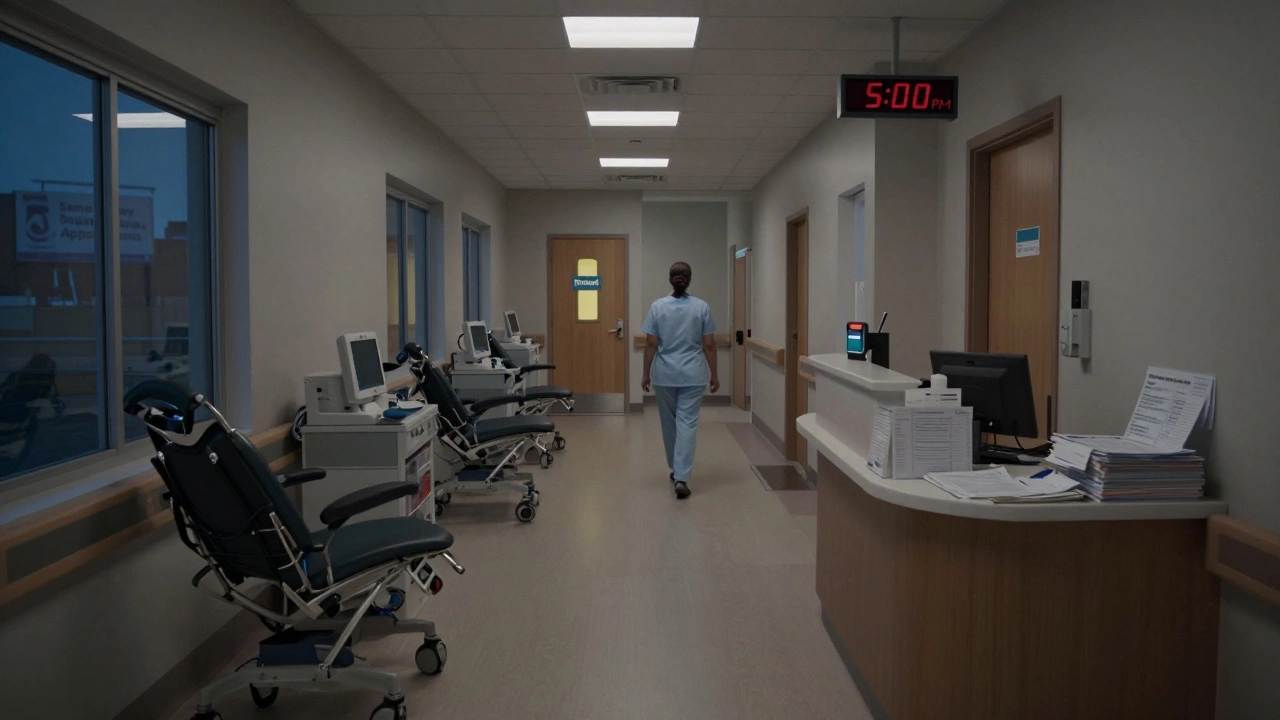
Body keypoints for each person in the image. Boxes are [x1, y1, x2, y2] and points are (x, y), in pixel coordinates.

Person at [641, 261, 719, 499]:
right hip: (693, 375)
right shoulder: (701, 307)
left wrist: (645, 373)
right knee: (687, 423)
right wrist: (715, 374)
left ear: (670, 279)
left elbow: (651, 343)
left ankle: (676, 469)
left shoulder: (657, 307)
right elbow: (709, 345)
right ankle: (682, 477)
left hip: (665, 375)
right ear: (689, 279)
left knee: (669, 423)